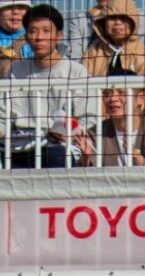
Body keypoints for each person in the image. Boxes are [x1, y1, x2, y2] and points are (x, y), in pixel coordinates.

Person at [0, 4, 92, 168]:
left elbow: (88, 117)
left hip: (60, 147)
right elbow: (2, 116)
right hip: (19, 147)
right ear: (26, 37)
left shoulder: (76, 72)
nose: (39, 37)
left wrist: (67, 133)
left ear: (59, 36)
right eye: (33, 31)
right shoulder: (16, 71)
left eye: (46, 31)